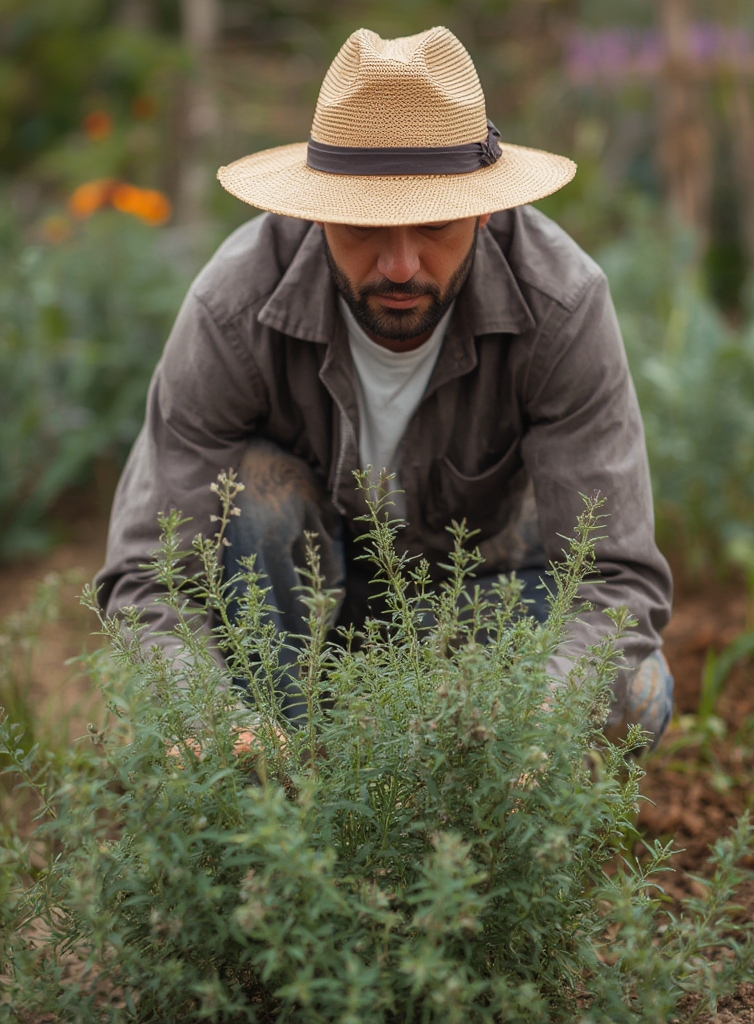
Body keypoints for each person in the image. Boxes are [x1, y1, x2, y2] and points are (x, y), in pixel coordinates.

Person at [96, 26, 674, 747]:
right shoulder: (234, 307)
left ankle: (480, 836)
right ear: (315, 209)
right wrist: (213, 725)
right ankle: (285, 802)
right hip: (287, 643)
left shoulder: (561, 305)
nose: (400, 265)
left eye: (434, 224)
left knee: (637, 694)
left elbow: (616, 581)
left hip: (471, 627)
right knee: (253, 490)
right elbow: (148, 579)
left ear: (486, 207)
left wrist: (538, 715)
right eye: (364, 226)